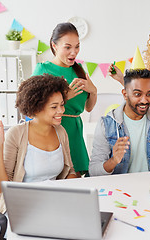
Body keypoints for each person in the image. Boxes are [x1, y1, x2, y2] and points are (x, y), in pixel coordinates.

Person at [0, 74, 77, 212]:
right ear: (36, 108)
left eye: (62, 105)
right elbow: (1, 187)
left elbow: (69, 171)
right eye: (54, 107)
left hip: (53, 204)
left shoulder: (61, 132)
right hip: (22, 206)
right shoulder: (16, 134)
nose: (61, 110)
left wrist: (71, 193)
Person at [89, 69, 150, 176]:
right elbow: (93, 171)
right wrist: (113, 161)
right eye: (137, 94)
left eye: (149, 94)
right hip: (119, 188)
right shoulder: (106, 124)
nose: (144, 100)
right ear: (125, 94)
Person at [32, 22, 97, 176]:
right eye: (67, 47)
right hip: (53, 131)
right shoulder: (43, 69)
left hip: (75, 132)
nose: (73, 52)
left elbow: (88, 107)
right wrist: (64, 97)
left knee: (76, 180)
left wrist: (93, 91)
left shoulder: (79, 70)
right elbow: (32, 108)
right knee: (57, 178)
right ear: (54, 46)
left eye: (77, 47)